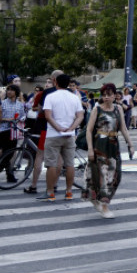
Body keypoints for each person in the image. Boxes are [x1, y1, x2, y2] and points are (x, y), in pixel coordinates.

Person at [84, 83, 133, 218]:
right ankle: (104, 206)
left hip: (113, 145)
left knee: (116, 176)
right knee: (102, 175)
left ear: (115, 96)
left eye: (109, 95)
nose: (106, 97)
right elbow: (88, 130)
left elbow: (123, 128)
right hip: (99, 145)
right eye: (104, 95)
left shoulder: (118, 109)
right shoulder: (97, 109)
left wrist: (130, 144)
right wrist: (90, 149)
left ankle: (96, 198)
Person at [43, 73, 84, 202]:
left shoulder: (50, 97)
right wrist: (71, 128)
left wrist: (58, 128)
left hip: (53, 134)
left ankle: (50, 192)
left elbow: (48, 116)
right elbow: (80, 116)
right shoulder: (75, 98)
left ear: (55, 82)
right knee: (70, 164)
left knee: (51, 165)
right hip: (69, 135)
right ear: (68, 84)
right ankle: (69, 191)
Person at [0, 84, 22, 184]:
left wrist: (19, 120)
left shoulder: (19, 105)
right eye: (8, 90)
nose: (9, 92)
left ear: (16, 92)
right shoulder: (2, 103)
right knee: (8, 153)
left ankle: (8, 174)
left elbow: (22, 116)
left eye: (11, 90)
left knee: (10, 153)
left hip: (14, 131)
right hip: (4, 130)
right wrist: (8, 120)